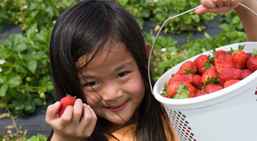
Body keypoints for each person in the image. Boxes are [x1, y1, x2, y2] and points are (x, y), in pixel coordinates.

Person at [45, 0, 257, 140]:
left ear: (144, 57)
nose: (112, 94)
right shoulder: (82, 136)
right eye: (92, 83)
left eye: (122, 74)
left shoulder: (175, 110)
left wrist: (243, 3)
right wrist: (64, 137)